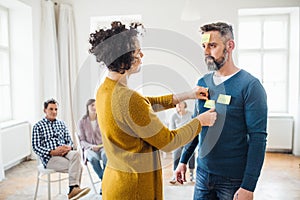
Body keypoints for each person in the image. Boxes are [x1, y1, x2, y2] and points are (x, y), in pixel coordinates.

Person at [88, 21, 217, 200]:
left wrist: (188, 95)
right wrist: (200, 122)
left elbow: (145, 103)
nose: (142, 54)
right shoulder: (130, 100)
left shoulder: (104, 90)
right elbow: (169, 142)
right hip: (134, 189)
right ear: (123, 56)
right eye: (136, 51)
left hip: (115, 183)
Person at [175, 22, 268, 200]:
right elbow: (196, 124)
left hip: (233, 179)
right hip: (202, 175)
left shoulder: (250, 86)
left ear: (230, 46)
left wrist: (248, 186)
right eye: (204, 46)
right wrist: (183, 160)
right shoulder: (202, 82)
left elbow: (258, 139)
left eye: (212, 45)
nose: (206, 52)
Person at [32, 98, 90, 200]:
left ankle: (73, 189)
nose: (54, 112)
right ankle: (73, 190)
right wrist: (52, 151)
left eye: (56, 109)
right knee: (78, 167)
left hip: (65, 152)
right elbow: (36, 147)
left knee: (76, 154)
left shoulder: (62, 124)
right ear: (44, 110)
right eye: (51, 109)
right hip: (50, 157)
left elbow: (70, 141)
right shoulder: (38, 126)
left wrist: (69, 147)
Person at [77, 98, 107, 194]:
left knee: (105, 155)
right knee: (92, 158)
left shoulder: (102, 119)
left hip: (102, 146)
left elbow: (107, 135)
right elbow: (81, 140)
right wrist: (91, 146)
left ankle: (104, 182)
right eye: (92, 105)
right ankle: (105, 181)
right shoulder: (82, 121)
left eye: (96, 105)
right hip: (89, 148)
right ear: (88, 107)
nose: (94, 107)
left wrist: (101, 145)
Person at [169, 101, 196, 184]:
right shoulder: (173, 116)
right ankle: (175, 174)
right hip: (178, 139)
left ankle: (191, 175)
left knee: (191, 154)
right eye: (177, 104)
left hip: (189, 138)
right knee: (176, 154)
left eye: (180, 104)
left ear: (185, 105)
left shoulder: (191, 114)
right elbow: (172, 130)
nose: (179, 106)